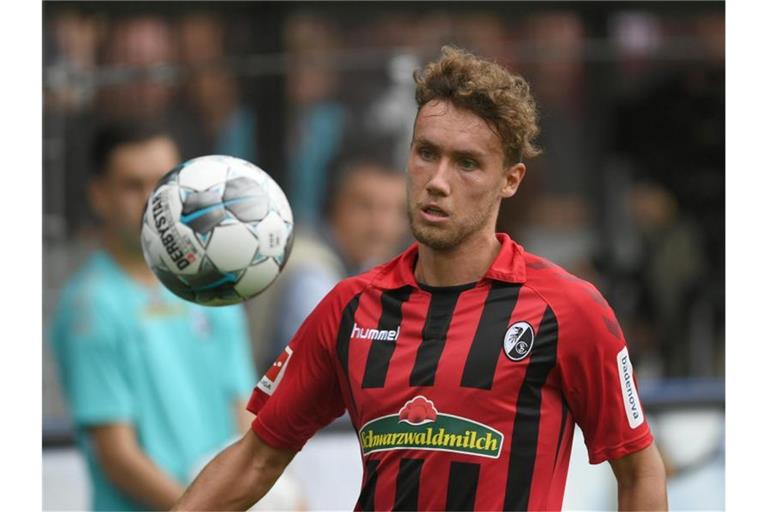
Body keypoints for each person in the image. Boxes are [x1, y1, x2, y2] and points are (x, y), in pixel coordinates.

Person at [174, 46, 667, 511]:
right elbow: (257, 458)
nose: (437, 179)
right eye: (426, 153)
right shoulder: (350, 306)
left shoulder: (568, 309)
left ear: (511, 180)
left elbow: (639, 471)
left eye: (467, 163)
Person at [49, 121, 256, 511]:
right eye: (132, 185)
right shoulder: (89, 307)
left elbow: (245, 415)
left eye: (163, 182)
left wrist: (276, 496)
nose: (152, 198)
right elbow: (119, 458)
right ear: (98, 195)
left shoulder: (215, 281)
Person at [248, 156, 408, 370]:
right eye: (365, 206)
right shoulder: (311, 272)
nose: (380, 226)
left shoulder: (362, 266)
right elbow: (335, 361)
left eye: (393, 211)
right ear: (337, 205)